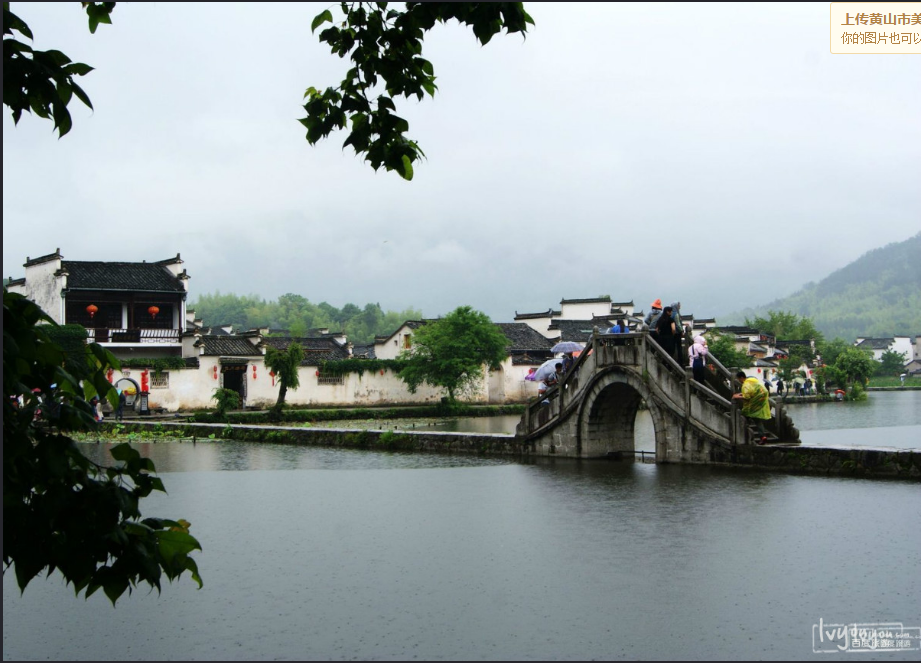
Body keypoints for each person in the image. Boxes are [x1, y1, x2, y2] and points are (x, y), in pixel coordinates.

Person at [731, 371, 771, 444]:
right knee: (756, 418)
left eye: (739, 379)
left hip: (756, 399)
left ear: (742, 378)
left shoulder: (746, 385)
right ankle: (762, 436)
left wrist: (736, 396)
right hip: (762, 397)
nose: (739, 381)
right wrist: (740, 394)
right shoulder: (752, 380)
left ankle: (746, 432)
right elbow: (752, 391)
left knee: (746, 413)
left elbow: (747, 396)